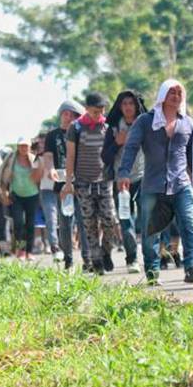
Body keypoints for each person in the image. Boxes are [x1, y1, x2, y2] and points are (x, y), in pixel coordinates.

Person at [119, 79, 193, 285]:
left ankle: (192, 266)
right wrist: (123, 172)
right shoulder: (145, 121)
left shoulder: (187, 122)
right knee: (151, 232)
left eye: (179, 93)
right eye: (172, 93)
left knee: (189, 224)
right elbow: (131, 147)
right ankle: (152, 271)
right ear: (162, 96)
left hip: (181, 183)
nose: (176, 96)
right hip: (152, 185)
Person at [61, 92, 118, 275]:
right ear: (86, 109)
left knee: (110, 220)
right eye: (94, 111)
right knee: (89, 222)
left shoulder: (108, 126)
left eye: (101, 110)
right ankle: (96, 260)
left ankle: (106, 251)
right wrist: (68, 183)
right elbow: (70, 156)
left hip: (104, 181)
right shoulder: (75, 128)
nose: (98, 114)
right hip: (83, 182)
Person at [102, 90, 147, 274]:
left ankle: (152, 257)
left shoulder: (146, 125)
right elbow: (104, 156)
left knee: (146, 219)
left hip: (145, 177)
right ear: (120, 107)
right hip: (121, 182)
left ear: (137, 106)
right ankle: (132, 259)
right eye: (124, 104)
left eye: (131, 103)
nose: (128, 107)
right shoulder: (113, 129)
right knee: (126, 221)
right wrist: (117, 142)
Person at [42, 99, 90, 269]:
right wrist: (51, 169)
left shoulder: (81, 132)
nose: (68, 117)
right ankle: (68, 259)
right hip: (61, 184)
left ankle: (87, 259)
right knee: (65, 223)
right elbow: (48, 156)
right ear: (61, 114)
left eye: (73, 115)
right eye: (66, 113)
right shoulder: (52, 135)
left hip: (81, 183)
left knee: (84, 222)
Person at [0, 137, 42, 260]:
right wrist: (4, 193)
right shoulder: (11, 160)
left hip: (32, 195)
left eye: (26, 146)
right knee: (18, 223)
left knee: (30, 224)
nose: (24, 148)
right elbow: (4, 178)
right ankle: (20, 250)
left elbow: (39, 178)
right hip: (16, 195)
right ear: (18, 146)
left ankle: (29, 251)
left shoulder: (35, 159)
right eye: (21, 146)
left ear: (29, 147)